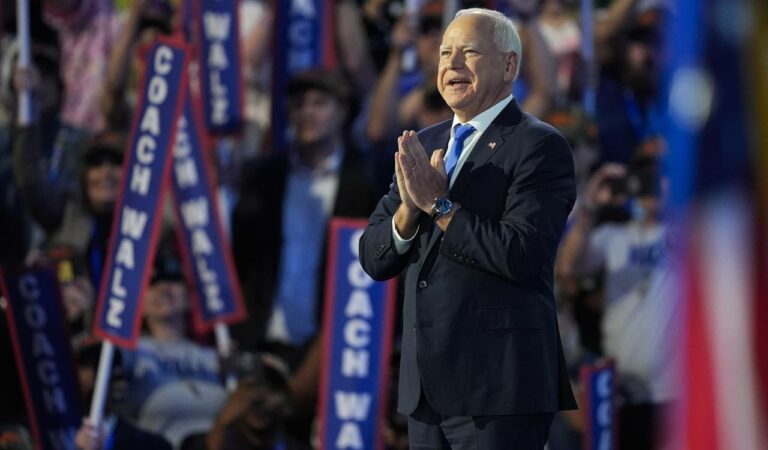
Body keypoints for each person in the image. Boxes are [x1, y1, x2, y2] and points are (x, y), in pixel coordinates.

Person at [358, 8, 577, 449]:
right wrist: (409, 211)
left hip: (499, 390)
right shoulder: (424, 144)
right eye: (444, 53)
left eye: (470, 52)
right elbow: (374, 257)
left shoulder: (539, 145)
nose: (451, 65)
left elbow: (520, 254)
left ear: (510, 65)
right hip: (425, 394)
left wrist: (438, 205)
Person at [556, 160, 678, 450]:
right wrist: (589, 205)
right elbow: (567, 268)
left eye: (660, 178)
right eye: (645, 180)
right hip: (623, 392)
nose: (652, 189)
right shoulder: (614, 236)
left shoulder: (693, 233)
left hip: (679, 392)